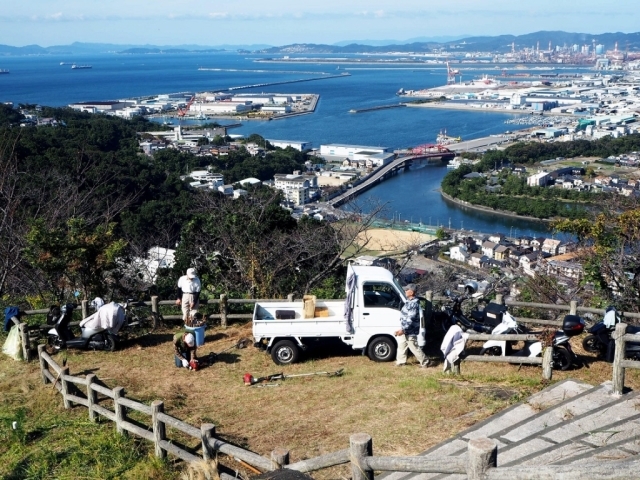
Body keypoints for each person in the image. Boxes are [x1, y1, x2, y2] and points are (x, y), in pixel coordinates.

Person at [394, 285, 430, 367]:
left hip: (410, 330)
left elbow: (411, 318)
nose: (405, 291)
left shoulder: (413, 303)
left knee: (413, 346)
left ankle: (425, 361)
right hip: (405, 328)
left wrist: (403, 330)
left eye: (407, 290)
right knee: (402, 345)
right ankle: (401, 362)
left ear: (412, 292)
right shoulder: (409, 302)